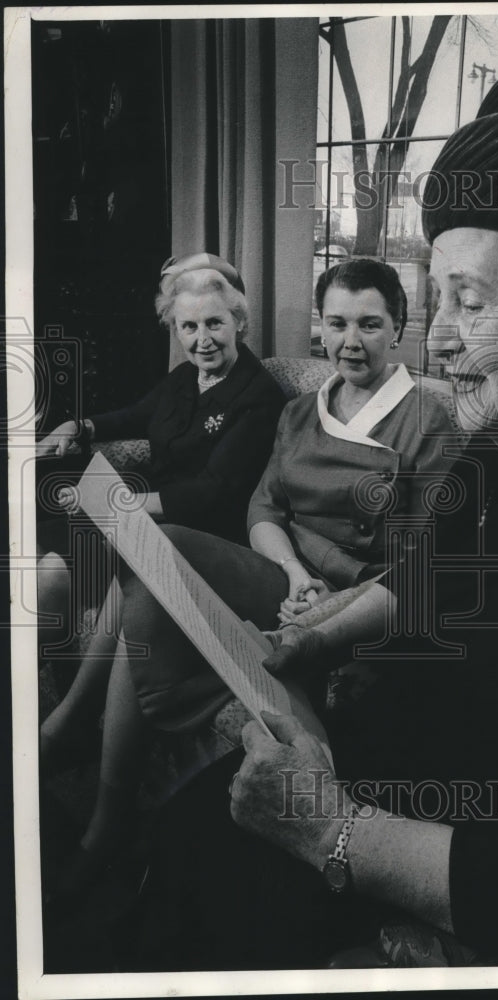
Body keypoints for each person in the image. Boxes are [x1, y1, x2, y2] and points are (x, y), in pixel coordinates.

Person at [121, 62, 498, 969]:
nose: (439, 337)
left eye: (468, 298)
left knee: (217, 885)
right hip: (396, 760)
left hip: (464, 853)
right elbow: (435, 576)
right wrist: (315, 642)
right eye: (436, 301)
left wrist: (331, 830)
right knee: (194, 827)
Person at [42, 259, 457, 906]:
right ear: (319, 327)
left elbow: (421, 558)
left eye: (370, 324)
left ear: (397, 328)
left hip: (351, 599)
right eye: (338, 323)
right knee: (156, 548)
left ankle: (104, 815)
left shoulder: (428, 423)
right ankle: (95, 772)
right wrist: (291, 568)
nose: (351, 340)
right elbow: (263, 509)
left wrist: (329, 594)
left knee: (157, 561)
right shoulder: (298, 412)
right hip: (281, 569)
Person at [38, 253, 286, 890]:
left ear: (239, 324)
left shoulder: (258, 396)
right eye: (187, 328)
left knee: (119, 545)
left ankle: (69, 727)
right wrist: (82, 425)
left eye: (215, 325)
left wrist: (131, 503)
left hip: (215, 540)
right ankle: (68, 720)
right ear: (174, 332)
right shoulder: (183, 382)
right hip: (154, 530)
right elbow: (137, 416)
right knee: (81, 532)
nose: (202, 340)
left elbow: (220, 489)